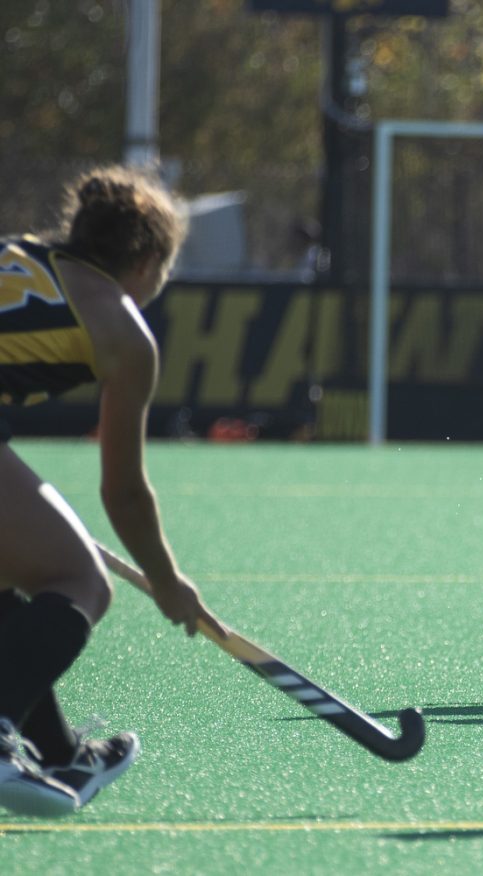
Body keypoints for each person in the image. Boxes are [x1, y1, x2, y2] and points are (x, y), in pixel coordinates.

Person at [0, 165, 228, 816]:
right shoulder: (122, 329)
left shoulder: (19, 255)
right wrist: (168, 582)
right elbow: (124, 493)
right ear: (149, 260)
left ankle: (60, 753)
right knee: (82, 582)